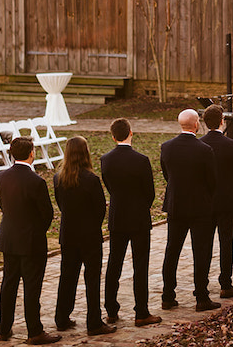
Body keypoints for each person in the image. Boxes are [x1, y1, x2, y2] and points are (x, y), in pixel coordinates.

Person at [0, 136, 60, 345]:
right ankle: (34, 331)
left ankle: (3, 329)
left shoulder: (1, 176)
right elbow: (46, 213)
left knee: (8, 285)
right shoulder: (36, 181)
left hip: (9, 238)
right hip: (31, 241)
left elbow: (2, 204)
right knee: (32, 287)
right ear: (32, 153)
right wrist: (37, 231)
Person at [100, 118, 160, 327]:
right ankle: (141, 311)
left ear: (113, 136)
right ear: (130, 133)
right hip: (139, 217)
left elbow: (109, 185)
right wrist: (142, 205)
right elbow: (149, 192)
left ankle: (110, 309)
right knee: (140, 264)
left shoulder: (105, 159)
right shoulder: (141, 160)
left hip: (118, 216)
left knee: (113, 264)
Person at [53, 136, 115, 336]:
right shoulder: (91, 179)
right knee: (92, 278)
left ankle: (61, 317)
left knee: (67, 276)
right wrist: (93, 225)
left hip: (68, 233)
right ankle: (94, 322)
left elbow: (61, 204)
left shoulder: (59, 178)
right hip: (89, 235)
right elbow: (99, 209)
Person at [159, 109, 219, 312]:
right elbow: (212, 180)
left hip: (176, 205)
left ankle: (168, 295)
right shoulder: (204, 149)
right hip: (199, 206)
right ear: (196, 125)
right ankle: (201, 297)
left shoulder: (166, 147)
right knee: (200, 252)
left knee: (172, 250)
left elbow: (167, 174)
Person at [200, 104, 233, 298]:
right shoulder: (232, 145)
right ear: (221, 121)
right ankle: (225, 283)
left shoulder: (200, 144)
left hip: (206, 200)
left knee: (204, 244)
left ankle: (201, 284)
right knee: (226, 242)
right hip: (227, 199)